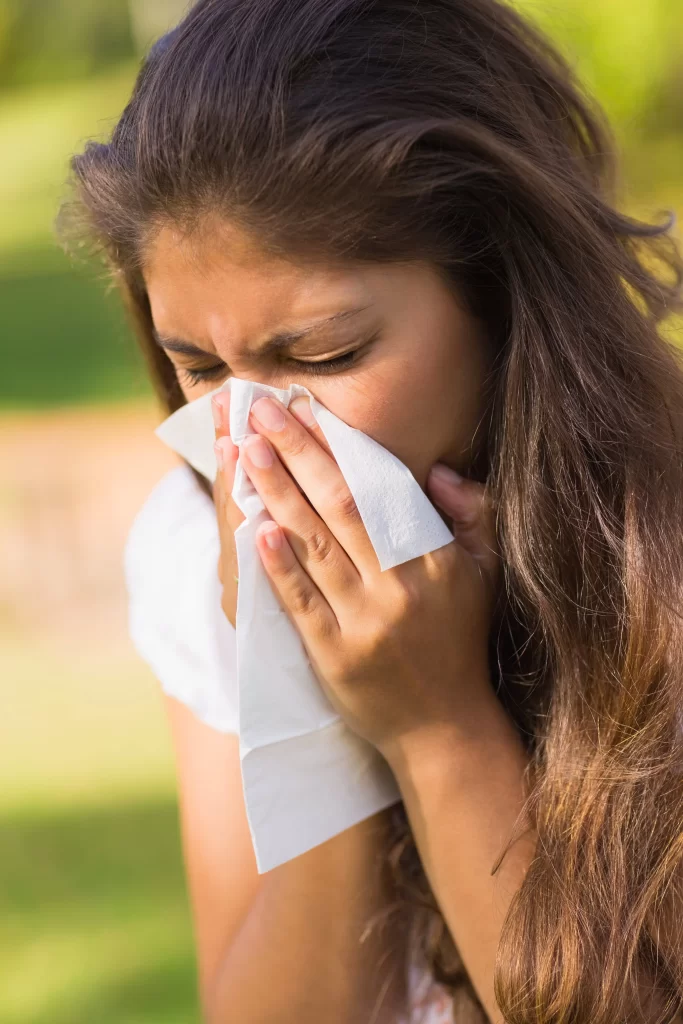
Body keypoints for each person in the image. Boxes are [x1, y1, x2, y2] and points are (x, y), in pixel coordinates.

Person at [56, 1, 683, 1021]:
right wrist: (310, 694)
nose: (255, 435)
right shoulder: (191, 547)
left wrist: (438, 728)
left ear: (499, 297)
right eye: (200, 368)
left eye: (323, 355)